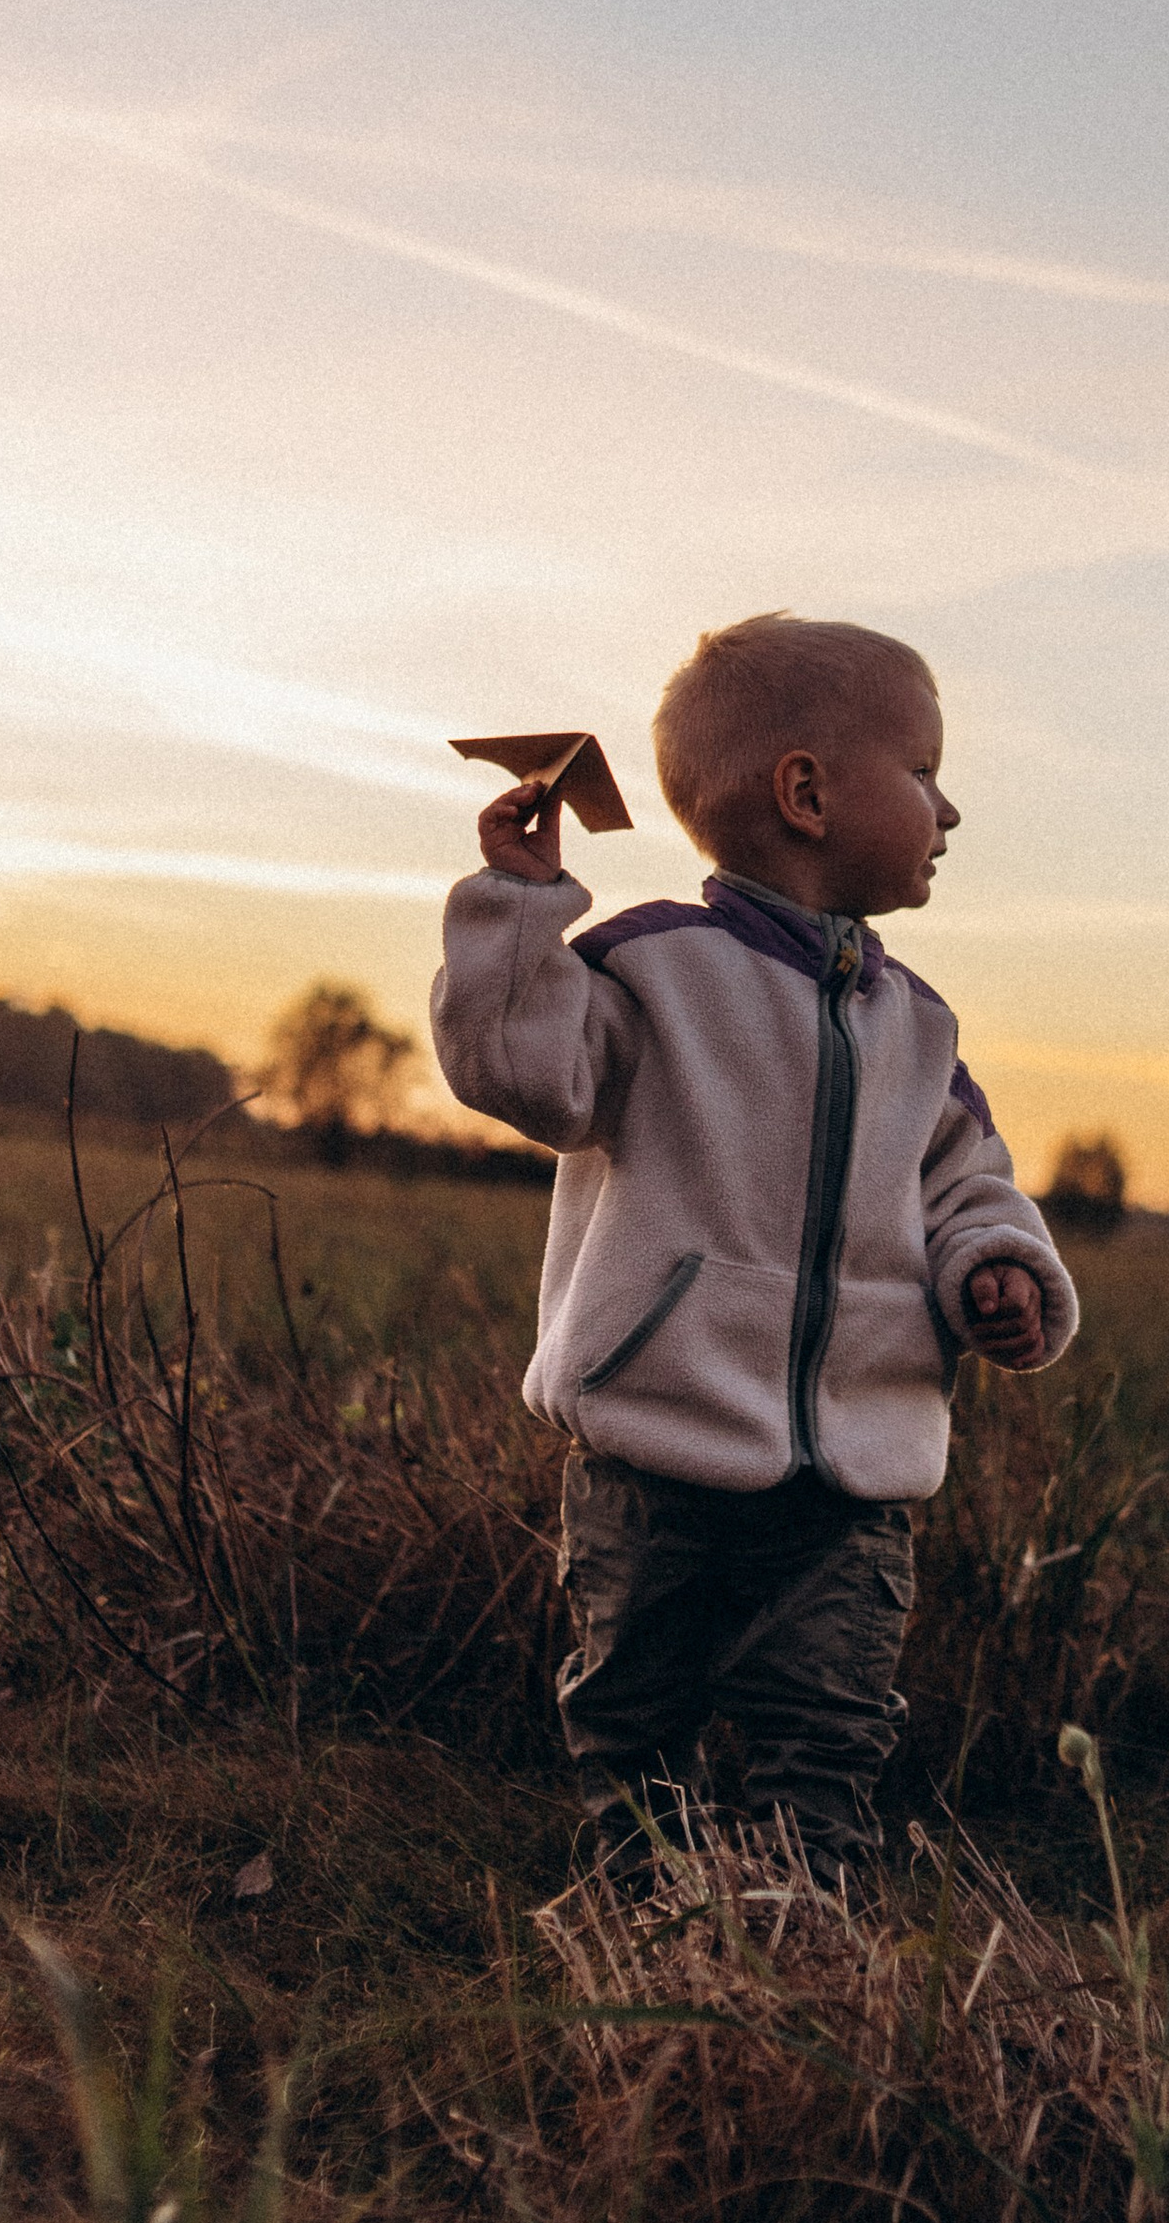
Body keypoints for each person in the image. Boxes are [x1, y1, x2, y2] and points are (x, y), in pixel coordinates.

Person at [430, 612, 1078, 1892]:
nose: (948, 814)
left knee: (828, 1730)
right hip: (656, 1455)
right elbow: (520, 1071)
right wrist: (517, 902)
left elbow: (968, 1185)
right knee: (635, 1716)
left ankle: (809, 1937)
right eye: (927, 774)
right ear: (806, 792)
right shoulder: (652, 972)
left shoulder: (919, 1032)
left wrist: (993, 1269)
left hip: (849, 1487)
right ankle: (638, 1912)